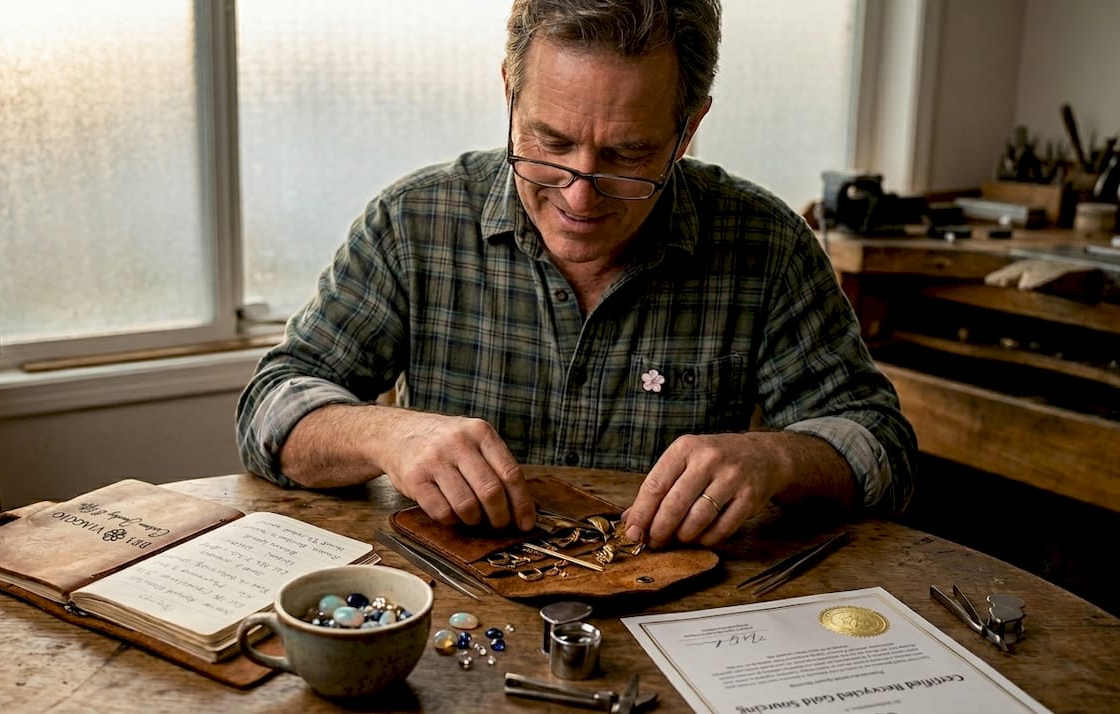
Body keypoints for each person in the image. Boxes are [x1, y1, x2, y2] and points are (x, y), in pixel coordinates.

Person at [236, 0, 916, 550]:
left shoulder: (766, 246)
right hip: (456, 616)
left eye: (627, 154)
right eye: (551, 142)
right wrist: (387, 435)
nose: (579, 195)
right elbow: (270, 408)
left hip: (677, 623)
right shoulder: (415, 224)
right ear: (510, 92)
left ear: (688, 129)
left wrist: (777, 460)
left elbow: (883, 449)